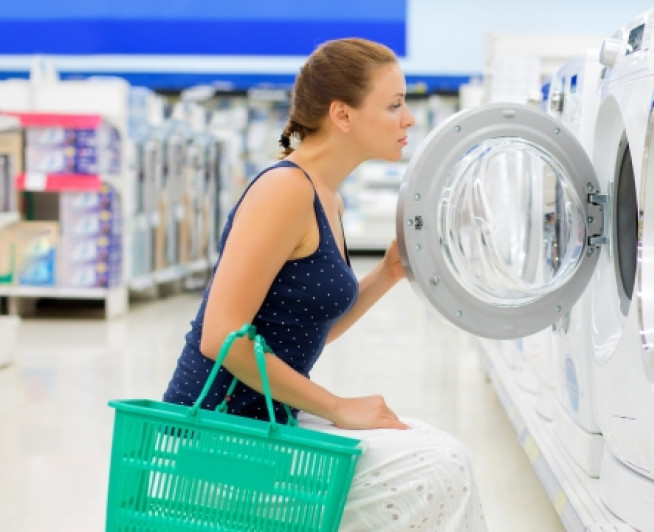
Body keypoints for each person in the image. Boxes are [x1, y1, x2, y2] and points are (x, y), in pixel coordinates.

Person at [163, 37, 487, 531]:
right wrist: (338, 407)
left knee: (441, 454)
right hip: (215, 438)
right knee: (441, 469)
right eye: (394, 105)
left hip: (269, 423)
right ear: (343, 115)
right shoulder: (283, 190)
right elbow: (220, 336)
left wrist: (388, 275)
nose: (409, 120)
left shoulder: (325, 198)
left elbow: (304, 331)